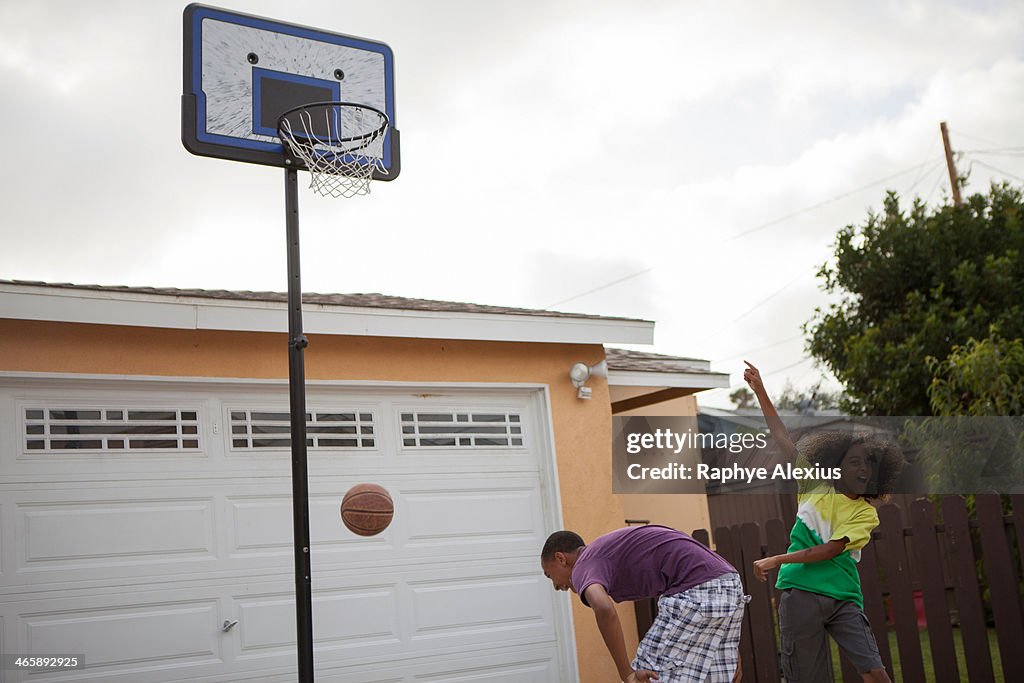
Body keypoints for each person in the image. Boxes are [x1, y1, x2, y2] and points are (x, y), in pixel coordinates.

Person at [743, 360, 904, 683]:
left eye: (868, 465)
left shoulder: (865, 513)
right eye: (854, 462)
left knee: (875, 671)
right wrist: (760, 390)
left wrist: (777, 558)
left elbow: (831, 550)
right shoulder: (814, 482)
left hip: (843, 598)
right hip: (799, 594)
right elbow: (780, 436)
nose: (863, 470)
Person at [540, 524, 747, 682]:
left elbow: (603, 609)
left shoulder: (583, 566)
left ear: (561, 559)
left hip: (700, 589)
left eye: (550, 576)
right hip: (728, 584)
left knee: (646, 673)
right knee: (711, 676)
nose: (557, 587)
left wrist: (626, 674)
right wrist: (720, 637)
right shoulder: (604, 552)